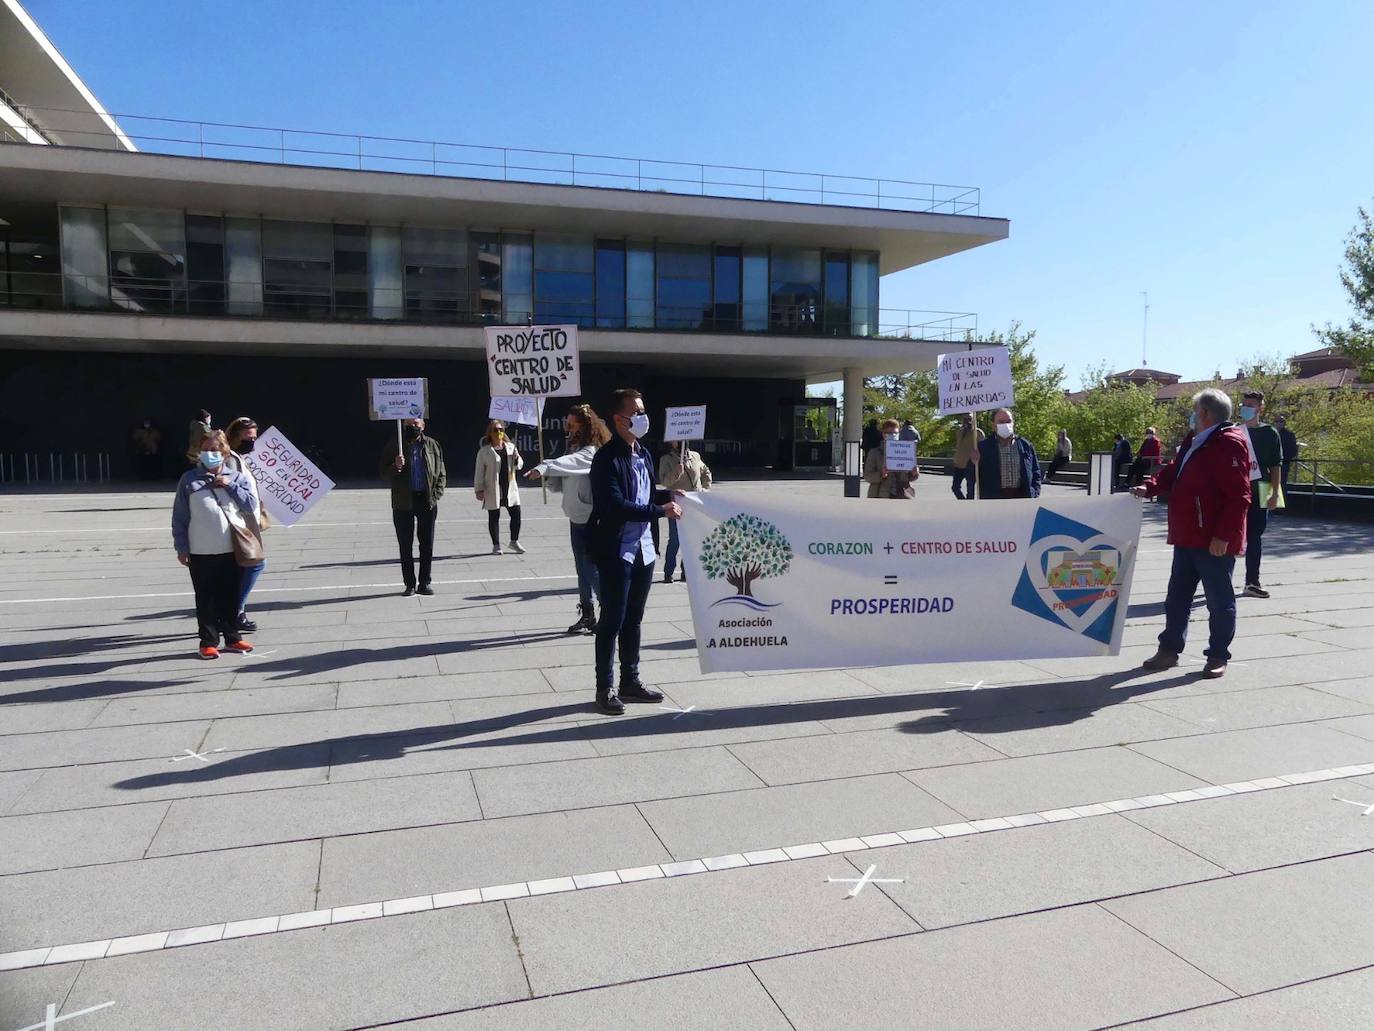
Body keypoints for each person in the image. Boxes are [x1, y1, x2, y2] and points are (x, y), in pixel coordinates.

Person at [1132, 388, 1251, 678]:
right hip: (1187, 535)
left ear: (1205, 414)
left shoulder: (1230, 444)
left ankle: (1217, 656)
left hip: (1213, 541)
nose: (1192, 416)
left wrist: (1223, 536)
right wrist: (1150, 487)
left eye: (1195, 411)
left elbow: (1240, 496)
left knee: (1219, 602)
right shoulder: (1196, 440)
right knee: (1177, 598)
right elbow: (1174, 470)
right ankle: (1169, 650)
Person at [587, 388, 683, 715]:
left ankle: (631, 680)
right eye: (636, 413)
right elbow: (615, 506)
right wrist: (661, 511)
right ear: (618, 419)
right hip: (616, 550)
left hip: (644, 550)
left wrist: (669, 496)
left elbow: (644, 497)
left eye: (643, 411)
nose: (643, 418)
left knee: (634, 619)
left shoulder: (641, 454)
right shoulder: (606, 459)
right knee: (611, 620)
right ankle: (605, 687)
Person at [171, 430, 257, 659]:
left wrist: (229, 485)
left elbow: (250, 505)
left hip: (231, 548)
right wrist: (181, 547)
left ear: (225, 452)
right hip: (201, 550)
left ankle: (232, 637)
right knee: (206, 597)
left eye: (214, 450)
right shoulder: (189, 480)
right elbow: (180, 516)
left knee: (231, 594)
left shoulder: (237, 477)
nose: (210, 454)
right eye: (206, 450)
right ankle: (208, 641)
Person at [527, 404, 610, 633]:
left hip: (591, 520)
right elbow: (562, 479)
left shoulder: (592, 451)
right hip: (576, 518)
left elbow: (571, 464)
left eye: (572, 425)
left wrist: (546, 466)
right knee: (581, 570)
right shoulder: (573, 449)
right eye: (567, 424)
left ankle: (610, 609)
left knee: (590, 569)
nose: (568, 429)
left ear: (586, 426)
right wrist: (549, 476)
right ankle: (587, 613)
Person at [382, 417, 446, 596]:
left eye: (416, 425)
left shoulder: (432, 445)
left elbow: (441, 471)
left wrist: (436, 494)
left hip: (426, 500)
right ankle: (409, 584)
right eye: (408, 425)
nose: (412, 428)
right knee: (405, 544)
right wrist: (395, 466)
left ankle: (424, 583)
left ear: (423, 426)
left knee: (427, 544)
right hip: (403, 501)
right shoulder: (396, 446)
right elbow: (383, 473)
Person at [224, 417, 267, 633]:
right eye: (248, 437)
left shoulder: (239, 457)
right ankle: (234, 611)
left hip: (246, 520)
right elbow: (231, 490)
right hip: (239, 522)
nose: (252, 441)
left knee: (244, 567)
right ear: (236, 436)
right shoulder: (231, 459)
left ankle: (235, 611)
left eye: (254, 437)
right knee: (254, 564)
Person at [1239, 390, 1283, 599]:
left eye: (1251, 405)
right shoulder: (1234, 432)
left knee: (1255, 537)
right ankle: (1219, 580)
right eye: (1244, 404)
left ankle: (1252, 581)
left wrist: (1275, 493)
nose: (1247, 408)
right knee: (1230, 535)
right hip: (1237, 491)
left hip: (1261, 490)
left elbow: (1276, 466)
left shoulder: (1270, 433)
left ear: (1260, 407)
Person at [658, 439, 713, 582]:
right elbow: (664, 481)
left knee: (692, 540)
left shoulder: (695, 456)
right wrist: (676, 473)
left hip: (694, 504)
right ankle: (669, 571)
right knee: (675, 540)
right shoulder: (666, 459)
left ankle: (686, 570)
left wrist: (705, 489)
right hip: (677, 503)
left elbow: (706, 471)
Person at [475, 420, 524, 556]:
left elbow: (519, 464)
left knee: (516, 513)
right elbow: (479, 471)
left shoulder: (510, 447)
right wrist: (479, 489)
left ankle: (514, 541)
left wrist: (516, 459)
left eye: (501, 429)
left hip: (510, 486)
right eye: (495, 430)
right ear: (490, 433)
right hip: (493, 487)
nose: (499, 432)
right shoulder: (484, 451)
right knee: (494, 515)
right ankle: (496, 545)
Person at [973, 408, 1041, 499]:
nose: (1005, 425)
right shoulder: (983, 447)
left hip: (1022, 498)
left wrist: (1034, 492)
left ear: (1013, 423)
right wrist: (973, 463)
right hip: (994, 500)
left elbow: (1036, 471)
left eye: (1008, 421)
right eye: (1000, 422)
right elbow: (973, 476)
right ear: (993, 425)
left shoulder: (1026, 446)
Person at [863, 418, 918, 499]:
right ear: (883, 434)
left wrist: (914, 473)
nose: (892, 435)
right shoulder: (874, 453)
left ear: (899, 433)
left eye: (895, 433)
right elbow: (867, 476)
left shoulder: (907, 451)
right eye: (888, 433)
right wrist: (881, 475)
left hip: (903, 495)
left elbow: (909, 477)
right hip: (880, 495)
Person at [951, 414, 983, 500]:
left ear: (973, 420)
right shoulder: (959, 432)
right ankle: (963, 502)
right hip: (959, 464)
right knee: (955, 487)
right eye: (965, 419)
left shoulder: (978, 432)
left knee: (970, 490)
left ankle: (970, 505)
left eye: (969, 419)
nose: (967, 421)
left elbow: (983, 448)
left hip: (970, 464)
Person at [1276, 414, 1298, 499]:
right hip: (1270, 464)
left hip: (1284, 464)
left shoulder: (1289, 435)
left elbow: (1293, 451)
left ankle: (1281, 507)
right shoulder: (1270, 433)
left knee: (1282, 484)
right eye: (1277, 421)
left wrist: (1284, 458)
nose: (1279, 423)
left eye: (1281, 421)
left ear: (1284, 423)